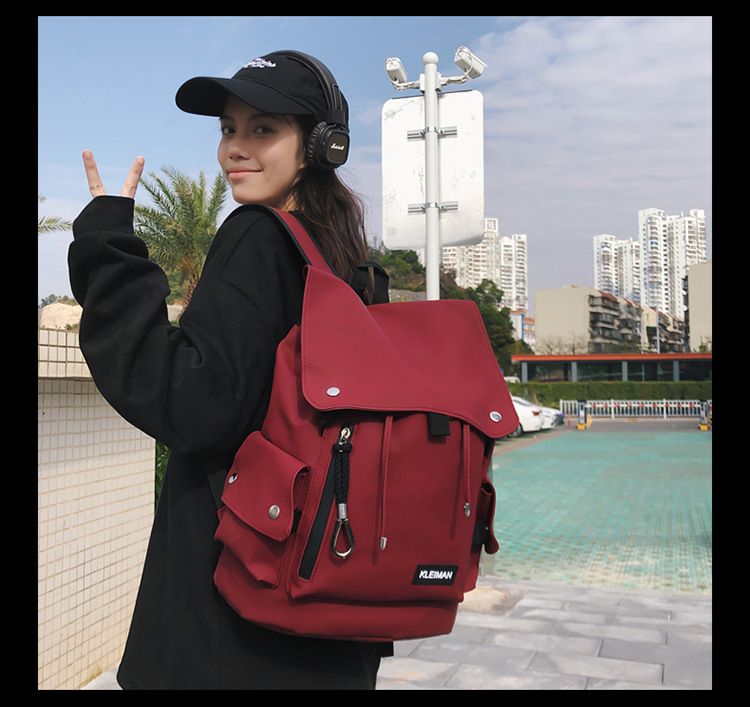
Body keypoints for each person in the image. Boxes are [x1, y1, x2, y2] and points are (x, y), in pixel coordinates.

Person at [68, 51, 389, 690]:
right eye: (228, 129)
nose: (235, 149)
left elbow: (191, 404)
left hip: (240, 619)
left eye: (262, 129)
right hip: (330, 606)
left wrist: (109, 254)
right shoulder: (345, 262)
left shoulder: (258, 235)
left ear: (321, 146)